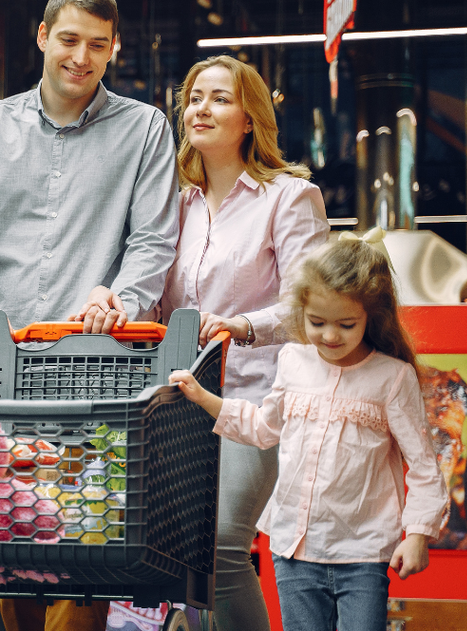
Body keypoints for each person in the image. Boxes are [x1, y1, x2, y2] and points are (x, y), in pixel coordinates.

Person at [0, 0, 180, 628]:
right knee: (11, 539)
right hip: (1, 369)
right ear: (42, 36)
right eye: (70, 40)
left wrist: (122, 301)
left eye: (98, 45)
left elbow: (152, 239)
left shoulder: (145, 129)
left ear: (113, 49)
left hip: (97, 370)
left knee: (88, 541)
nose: (82, 57)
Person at [73, 54, 328, 629]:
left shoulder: (288, 198)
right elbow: (154, 297)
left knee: (221, 545)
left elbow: (312, 306)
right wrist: (115, 301)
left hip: (255, 398)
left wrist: (242, 326)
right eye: (194, 98)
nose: (201, 109)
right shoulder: (171, 206)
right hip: (177, 402)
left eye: (219, 98)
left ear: (249, 119)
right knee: (180, 556)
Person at [169, 237, 450, 631]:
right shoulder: (293, 360)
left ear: (373, 315)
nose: (330, 336)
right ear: (301, 311)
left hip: (363, 554)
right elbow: (265, 427)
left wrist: (418, 533)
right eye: (316, 322)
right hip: (294, 551)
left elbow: (423, 466)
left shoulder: (392, 377)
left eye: (346, 324)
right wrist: (205, 398)